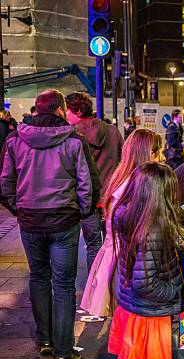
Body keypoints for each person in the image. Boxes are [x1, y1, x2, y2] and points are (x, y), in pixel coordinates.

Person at [0, 89, 100, 359]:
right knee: (64, 284)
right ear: (59, 110)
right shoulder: (73, 140)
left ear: (37, 109)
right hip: (64, 220)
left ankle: (44, 340)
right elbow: (87, 184)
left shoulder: (15, 139)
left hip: (31, 219)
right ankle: (64, 350)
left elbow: (5, 182)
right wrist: (81, 211)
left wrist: (19, 208)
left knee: (39, 277)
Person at [108, 162, 184, 359]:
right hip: (149, 315)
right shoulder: (153, 228)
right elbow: (146, 284)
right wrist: (173, 290)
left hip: (134, 308)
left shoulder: (130, 216)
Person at [80, 128, 165, 318]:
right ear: (149, 155)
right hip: (128, 260)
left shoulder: (123, 178)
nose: (164, 158)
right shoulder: (135, 185)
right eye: (160, 152)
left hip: (117, 256)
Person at [66, 92, 124, 274]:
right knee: (113, 245)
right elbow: (124, 161)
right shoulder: (113, 131)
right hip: (112, 198)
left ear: (77, 110)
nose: (65, 114)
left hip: (88, 199)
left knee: (93, 246)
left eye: (67, 110)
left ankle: (94, 290)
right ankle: (111, 287)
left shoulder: (72, 134)